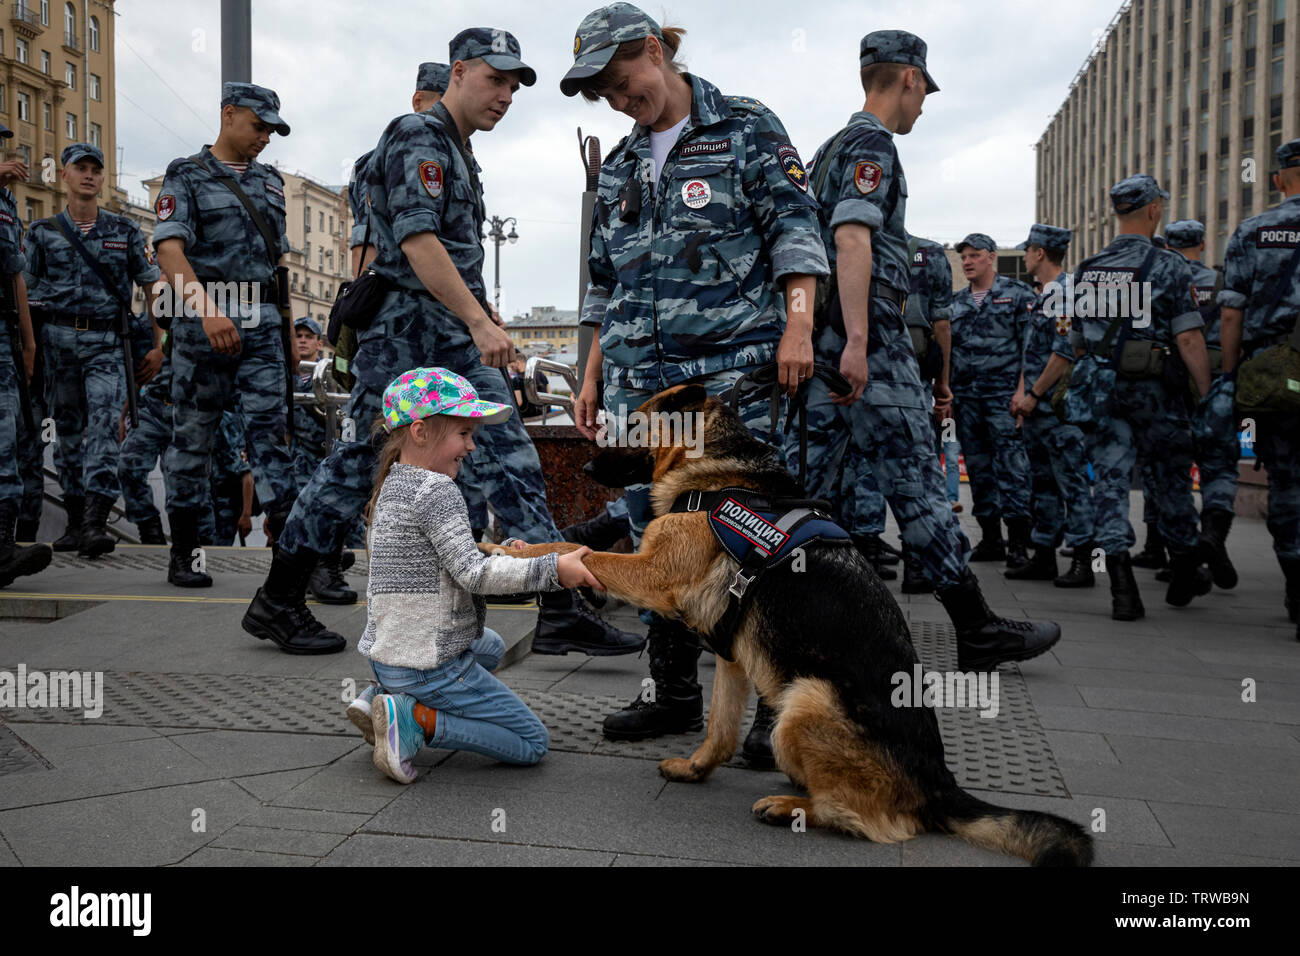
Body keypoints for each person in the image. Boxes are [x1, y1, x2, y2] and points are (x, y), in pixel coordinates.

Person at [245, 30, 642, 658]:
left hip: (451, 340)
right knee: (358, 466)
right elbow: (417, 243)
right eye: (496, 79)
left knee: (510, 456)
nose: (506, 95)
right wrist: (481, 322)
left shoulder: (460, 152)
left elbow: (457, 256)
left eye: (515, 85)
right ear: (458, 72)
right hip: (403, 340)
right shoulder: (417, 136)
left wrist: (484, 319)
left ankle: (558, 606)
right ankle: (280, 595)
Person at [561, 3, 829, 758]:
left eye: (622, 82)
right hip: (639, 394)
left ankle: (775, 701)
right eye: (606, 96)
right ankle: (672, 693)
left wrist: (801, 324)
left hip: (728, 389)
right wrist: (590, 376)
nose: (620, 101)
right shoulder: (618, 167)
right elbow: (602, 287)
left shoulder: (744, 126)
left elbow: (796, 235)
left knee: (748, 541)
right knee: (656, 532)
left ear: (655, 50)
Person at [800, 30, 1059, 670]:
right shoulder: (871, 143)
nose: (922, 107)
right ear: (909, 78)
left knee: (802, 495)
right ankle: (975, 628)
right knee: (916, 481)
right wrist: (860, 341)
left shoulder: (829, 147)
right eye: (924, 92)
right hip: (867, 345)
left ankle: (785, 656)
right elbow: (853, 239)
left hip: (824, 347)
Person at [361, 367, 601, 784]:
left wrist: (502, 554)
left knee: (489, 645)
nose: (472, 446)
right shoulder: (436, 489)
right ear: (420, 432)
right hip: (426, 665)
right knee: (531, 743)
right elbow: (474, 576)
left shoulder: (393, 484)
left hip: (387, 655)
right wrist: (552, 571)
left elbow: (439, 560)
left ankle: (378, 696)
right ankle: (414, 718)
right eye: (464, 434)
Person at [153, 83, 299, 592]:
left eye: (271, 130)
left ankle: (295, 560)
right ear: (228, 114)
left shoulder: (271, 183)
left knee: (273, 441)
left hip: (262, 323)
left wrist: (285, 334)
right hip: (203, 324)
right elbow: (170, 251)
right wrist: (209, 312)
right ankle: (185, 554)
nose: (264, 137)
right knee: (193, 439)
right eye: (258, 126)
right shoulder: (185, 174)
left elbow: (277, 262)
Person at [1053, 174, 1212, 620]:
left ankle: (1122, 590)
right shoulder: (1169, 266)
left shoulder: (1088, 268)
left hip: (1102, 393)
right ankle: (1183, 569)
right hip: (1155, 392)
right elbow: (1190, 341)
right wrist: (1206, 393)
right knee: (1169, 481)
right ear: (1155, 210)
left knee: (1109, 484)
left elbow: (1079, 343)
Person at [24, 143, 161, 557]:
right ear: (63, 175)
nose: (88, 175)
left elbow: (152, 285)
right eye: (79, 168)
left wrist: (158, 344)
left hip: (107, 344)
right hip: (56, 344)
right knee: (65, 434)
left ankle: (96, 522)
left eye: (95, 170)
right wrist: (29, 348)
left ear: (102, 179)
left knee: (104, 427)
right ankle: (74, 519)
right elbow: (24, 292)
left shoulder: (125, 230)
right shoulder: (42, 233)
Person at [1218, 137, 1300, 639]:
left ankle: (1296, 584)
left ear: (1277, 179)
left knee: (1288, 480)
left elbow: (1231, 313)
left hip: (1275, 376)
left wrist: (1231, 379)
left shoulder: (1255, 230)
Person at [1008, 224, 1095, 586]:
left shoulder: (1064, 293)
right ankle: (1044, 555)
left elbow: (1065, 353)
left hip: (1060, 409)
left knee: (1071, 484)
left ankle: (1083, 561)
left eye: (1028, 250)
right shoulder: (1044, 295)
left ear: (1040, 252)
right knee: (1042, 485)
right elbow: (1034, 352)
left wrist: (1033, 395)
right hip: (1037, 409)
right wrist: (1021, 392)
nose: (1025, 256)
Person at [949, 232, 1036, 567]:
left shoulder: (1017, 295)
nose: (968, 262)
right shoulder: (956, 302)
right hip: (968, 401)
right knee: (979, 468)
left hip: (1004, 399)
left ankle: (1018, 542)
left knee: (1013, 468)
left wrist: (1023, 391)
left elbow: (1030, 348)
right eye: (964, 257)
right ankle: (990, 538)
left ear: (991, 257)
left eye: (974, 255)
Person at [1166, 218, 1238, 589]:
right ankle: (1214, 536)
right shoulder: (1218, 281)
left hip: (1173, 380)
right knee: (1219, 464)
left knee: (1173, 469)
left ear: (1167, 246)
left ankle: (1179, 553)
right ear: (1204, 244)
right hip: (1214, 376)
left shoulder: (1163, 277)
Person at [0, 120, 52, 588]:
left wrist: (28, 340)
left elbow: (16, 272)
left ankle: (3, 545)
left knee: (10, 440)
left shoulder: (6, 203)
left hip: (5, 336)